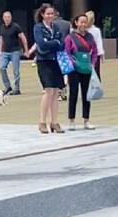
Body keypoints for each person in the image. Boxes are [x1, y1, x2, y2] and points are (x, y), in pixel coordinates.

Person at [33, 3, 64, 134]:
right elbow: (41, 44)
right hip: (44, 61)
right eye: (48, 14)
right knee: (48, 90)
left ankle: (54, 122)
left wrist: (52, 42)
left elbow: (60, 43)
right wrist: (54, 42)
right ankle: (42, 122)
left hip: (55, 61)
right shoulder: (38, 27)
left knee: (56, 91)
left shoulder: (56, 26)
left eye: (52, 14)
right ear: (42, 15)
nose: (50, 16)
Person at [64, 13, 98, 131]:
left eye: (85, 22)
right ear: (76, 23)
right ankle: (71, 120)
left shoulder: (90, 37)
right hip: (74, 70)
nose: (83, 24)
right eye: (81, 22)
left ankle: (86, 120)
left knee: (86, 95)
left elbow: (95, 52)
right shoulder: (70, 37)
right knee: (73, 94)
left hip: (86, 69)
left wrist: (92, 64)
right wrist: (73, 63)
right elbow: (67, 52)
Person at [0, 11, 28, 95]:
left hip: (15, 51)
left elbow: (23, 38)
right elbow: (1, 39)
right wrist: (0, 50)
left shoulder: (16, 27)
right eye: (5, 17)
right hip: (5, 51)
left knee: (16, 71)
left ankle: (17, 88)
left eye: (8, 17)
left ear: (11, 18)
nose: (7, 19)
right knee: (1, 68)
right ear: (3, 18)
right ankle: (7, 86)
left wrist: (26, 50)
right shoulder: (2, 27)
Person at [54, 10, 71, 101]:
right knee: (65, 71)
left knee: (57, 72)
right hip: (66, 50)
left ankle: (60, 91)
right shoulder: (67, 24)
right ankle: (64, 88)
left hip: (56, 51)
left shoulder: (52, 25)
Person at [85, 11, 104, 80]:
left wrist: (100, 53)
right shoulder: (83, 30)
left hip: (92, 54)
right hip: (88, 54)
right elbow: (99, 42)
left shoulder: (95, 30)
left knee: (94, 72)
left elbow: (99, 42)